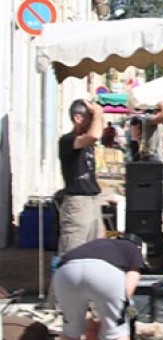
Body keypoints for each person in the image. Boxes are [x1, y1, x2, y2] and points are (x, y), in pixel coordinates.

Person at [53, 234, 146, 340]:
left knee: (71, 330)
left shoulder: (98, 243)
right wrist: (117, 311)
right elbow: (129, 287)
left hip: (65, 271)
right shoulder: (134, 248)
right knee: (116, 332)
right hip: (104, 271)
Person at [58, 99, 104, 255]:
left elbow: (96, 133)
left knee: (96, 251)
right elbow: (95, 135)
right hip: (77, 203)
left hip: (92, 200)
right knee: (72, 253)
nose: (93, 121)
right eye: (89, 117)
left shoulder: (88, 142)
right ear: (78, 118)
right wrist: (98, 112)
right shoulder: (68, 140)